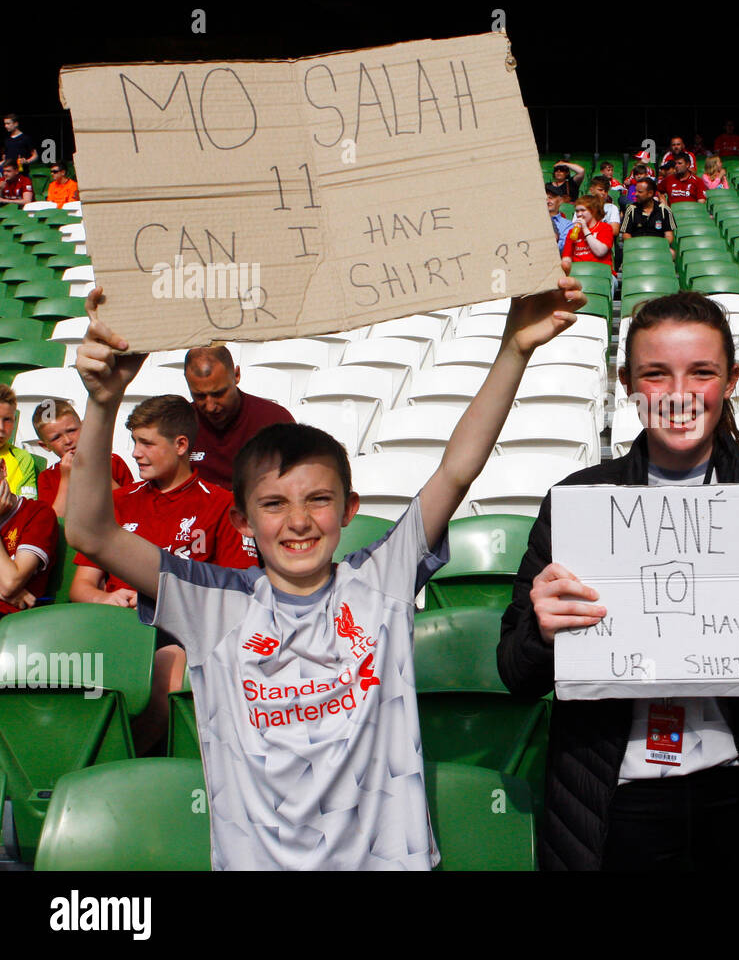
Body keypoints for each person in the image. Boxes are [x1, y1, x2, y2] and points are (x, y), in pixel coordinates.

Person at [67, 281, 585, 869]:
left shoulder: (380, 582)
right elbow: (89, 533)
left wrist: (513, 350)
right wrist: (102, 402)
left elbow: (456, 471)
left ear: (348, 509)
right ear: (240, 519)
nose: (298, 522)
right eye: (273, 504)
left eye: (317, 500)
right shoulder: (208, 603)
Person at [498, 291, 739, 871]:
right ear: (627, 383)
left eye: (702, 372)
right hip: (611, 806)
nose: (680, 394)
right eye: (656, 374)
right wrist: (542, 632)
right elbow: (514, 671)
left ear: (731, 380)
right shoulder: (578, 502)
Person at [69, 392, 259, 754]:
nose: (136, 453)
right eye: (134, 442)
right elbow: (81, 587)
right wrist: (105, 597)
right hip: (112, 633)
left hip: (179, 636)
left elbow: (236, 598)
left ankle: (112, 766)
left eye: (146, 443)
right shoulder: (118, 502)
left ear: (181, 445)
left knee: (167, 666)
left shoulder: (222, 506)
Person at [183, 345, 295, 492]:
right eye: (199, 396)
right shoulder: (180, 424)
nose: (210, 406)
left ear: (236, 375)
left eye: (219, 394)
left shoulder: (275, 420)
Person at [33, 398, 134, 518]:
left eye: (71, 430)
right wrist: (66, 478)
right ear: (45, 446)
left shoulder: (112, 461)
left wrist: (96, 471)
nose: (68, 440)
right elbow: (55, 521)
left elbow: (130, 506)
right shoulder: (47, 477)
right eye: (56, 438)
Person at [0, 462, 57, 616]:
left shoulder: (37, 513)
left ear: (3, 469)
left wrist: (5, 589)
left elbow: (10, 584)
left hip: (13, 619)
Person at [0, 385, 38, 501]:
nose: (1, 427)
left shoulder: (22, 459)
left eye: (7, 420)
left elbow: (28, 510)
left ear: (15, 421)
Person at [621, 178, 676, 257]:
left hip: (658, 248)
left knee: (672, 253)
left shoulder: (665, 210)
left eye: (639, 192)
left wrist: (655, 246)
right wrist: (639, 247)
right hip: (636, 248)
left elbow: (669, 236)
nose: (635, 194)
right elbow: (626, 235)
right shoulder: (631, 209)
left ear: (650, 193)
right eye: (636, 191)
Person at [560, 195, 614, 275]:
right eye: (577, 211)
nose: (579, 214)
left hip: (601, 273)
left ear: (593, 211)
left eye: (582, 210)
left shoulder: (605, 228)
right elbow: (566, 258)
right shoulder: (572, 232)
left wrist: (585, 229)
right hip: (578, 273)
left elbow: (600, 252)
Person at [547, 188, 576, 252]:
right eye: (545, 198)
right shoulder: (534, 221)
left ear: (561, 200)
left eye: (551, 198)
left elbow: (564, 247)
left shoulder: (568, 224)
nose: (547, 201)